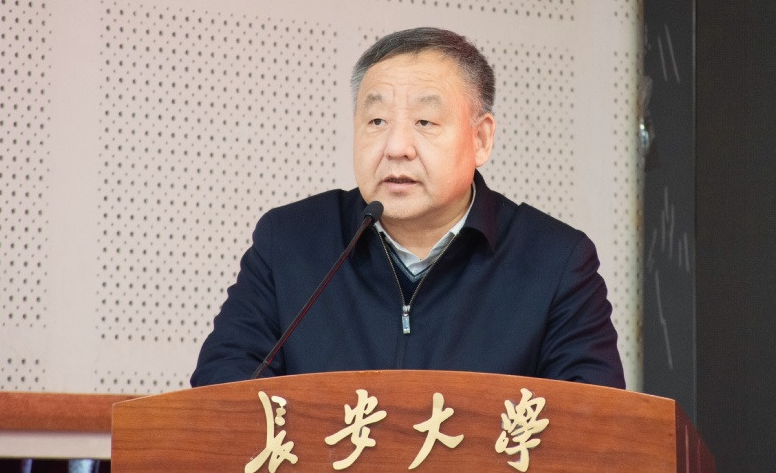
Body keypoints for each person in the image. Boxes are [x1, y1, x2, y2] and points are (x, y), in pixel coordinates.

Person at [190, 27, 625, 389]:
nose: (397, 147)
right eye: (377, 121)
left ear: (481, 139)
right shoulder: (290, 242)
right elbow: (219, 394)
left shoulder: (556, 262)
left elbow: (593, 427)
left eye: (425, 122)